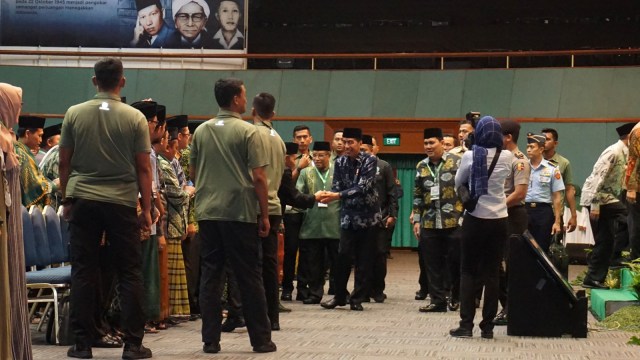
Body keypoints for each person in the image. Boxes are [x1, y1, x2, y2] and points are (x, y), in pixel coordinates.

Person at [60, 58, 152, 359]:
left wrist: (66, 199)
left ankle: (83, 344)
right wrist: (147, 208)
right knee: (129, 272)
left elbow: (64, 162)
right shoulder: (136, 117)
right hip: (122, 201)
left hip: (84, 199)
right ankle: (133, 344)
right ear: (122, 82)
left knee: (84, 271)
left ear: (94, 81)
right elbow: (143, 168)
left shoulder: (73, 113)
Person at [190, 78, 276, 354]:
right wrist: (264, 214)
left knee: (210, 276)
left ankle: (210, 341)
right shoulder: (249, 132)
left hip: (208, 213)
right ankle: (261, 340)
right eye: (243, 95)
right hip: (239, 213)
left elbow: (193, 173)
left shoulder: (201, 131)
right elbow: (259, 178)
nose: (245, 99)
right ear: (236, 99)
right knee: (248, 277)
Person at [451, 116, 512, 339]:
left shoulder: (470, 155)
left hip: (475, 218)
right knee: (493, 274)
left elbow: (458, 182)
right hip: (499, 220)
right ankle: (488, 327)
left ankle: (466, 325)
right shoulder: (508, 157)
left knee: (467, 271)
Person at [319, 127, 381, 311]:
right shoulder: (339, 161)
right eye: (344, 142)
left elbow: (364, 186)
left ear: (359, 143)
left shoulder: (370, 160)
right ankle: (339, 296)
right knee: (342, 257)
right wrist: (340, 194)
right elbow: (337, 185)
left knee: (364, 260)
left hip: (368, 218)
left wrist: (339, 195)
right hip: (348, 217)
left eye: (350, 142)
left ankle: (357, 298)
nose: (346, 146)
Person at [413, 128, 462, 313]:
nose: (428, 146)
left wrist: (464, 217)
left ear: (442, 142)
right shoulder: (421, 166)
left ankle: (456, 297)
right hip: (429, 222)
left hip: (454, 221)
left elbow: (467, 190)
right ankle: (437, 301)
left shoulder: (457, 162)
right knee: (432, 264)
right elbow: (417, 195)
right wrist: (417, 220)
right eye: (425, 143)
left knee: (455, 262)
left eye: (432, 143)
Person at [580, 123, 634, 289]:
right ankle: (616, 257)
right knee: (630, 215)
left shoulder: (627, 154)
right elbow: (598, 177)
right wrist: (595, 205)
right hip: (599, 198)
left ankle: (593, 277)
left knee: (605, 241)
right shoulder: (614, 152)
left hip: (608, 198)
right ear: (630, 138)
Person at [1, 82, 33, 360]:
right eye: (17, 106)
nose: (19, 113)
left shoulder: (7, 138)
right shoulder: (2, 142)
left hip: (10, 227)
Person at [493, 119, 531, 326]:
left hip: (514, 215)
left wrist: (496, 206)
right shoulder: (499, 158)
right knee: (495, 263)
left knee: (512, 264)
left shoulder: (520, 160)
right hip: (498, 215)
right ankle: (505, 304)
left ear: (508, 137)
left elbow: (519, 193)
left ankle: (511, 308)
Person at [296, 141, 340, 305]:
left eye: (321, 155)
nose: (318, 158)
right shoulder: (306, 172)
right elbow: (299, 194)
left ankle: (339, 292)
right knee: (314, 263)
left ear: (329, 156)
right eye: (315, 155)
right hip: (312, 225)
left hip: (334, 224)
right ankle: (315, 293)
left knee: (338, 261)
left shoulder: (338, 171)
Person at [362, 135, 398, 303]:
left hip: (381, 217)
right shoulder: (355, 167)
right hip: (361, 218)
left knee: (379, 254)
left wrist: (393, 214)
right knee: (363, 255)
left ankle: (378, 289)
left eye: (365, 150)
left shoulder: (384, 166)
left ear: (373, 150)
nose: (363, 153)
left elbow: (392, 192)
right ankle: (363, 289)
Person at [281, 124, 314, 301]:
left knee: (307, 251)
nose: (302, 140)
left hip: (309, 211)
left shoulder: (316, 158)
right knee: (290, 250)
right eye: (298, 137)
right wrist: (298, 167)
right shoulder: (289, 158)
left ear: (310, 139)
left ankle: (303, 287)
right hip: (292, 210)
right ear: (294, 139)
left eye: (305, 137)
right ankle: (287, 287)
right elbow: (285, 184)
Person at [524, 133, 564, 252]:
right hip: (524, 209)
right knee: (523, 247)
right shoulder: (522, 167)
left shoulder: (552, 169)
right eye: (527, 147)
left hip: (543, 211)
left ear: (541, 149)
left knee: (542, 248)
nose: (528, 150)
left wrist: (557, 222)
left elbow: (557, 197)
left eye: (532, 147)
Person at [14, 115, 58, 208]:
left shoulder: (23, 151)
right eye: (39, 135)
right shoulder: (22, 154)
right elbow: (35, 186)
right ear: (27, 133)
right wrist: (55, 184)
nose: (41, 140)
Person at [542, 128, 578, 233]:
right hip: (535, 211)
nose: (543, 142)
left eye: (547, 139)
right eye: (542, 139)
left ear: (555, 143)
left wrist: (574, 216)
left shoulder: (563, 163)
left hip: (555, 212)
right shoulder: (533, 162)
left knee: (554, 247)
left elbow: (569, 190)